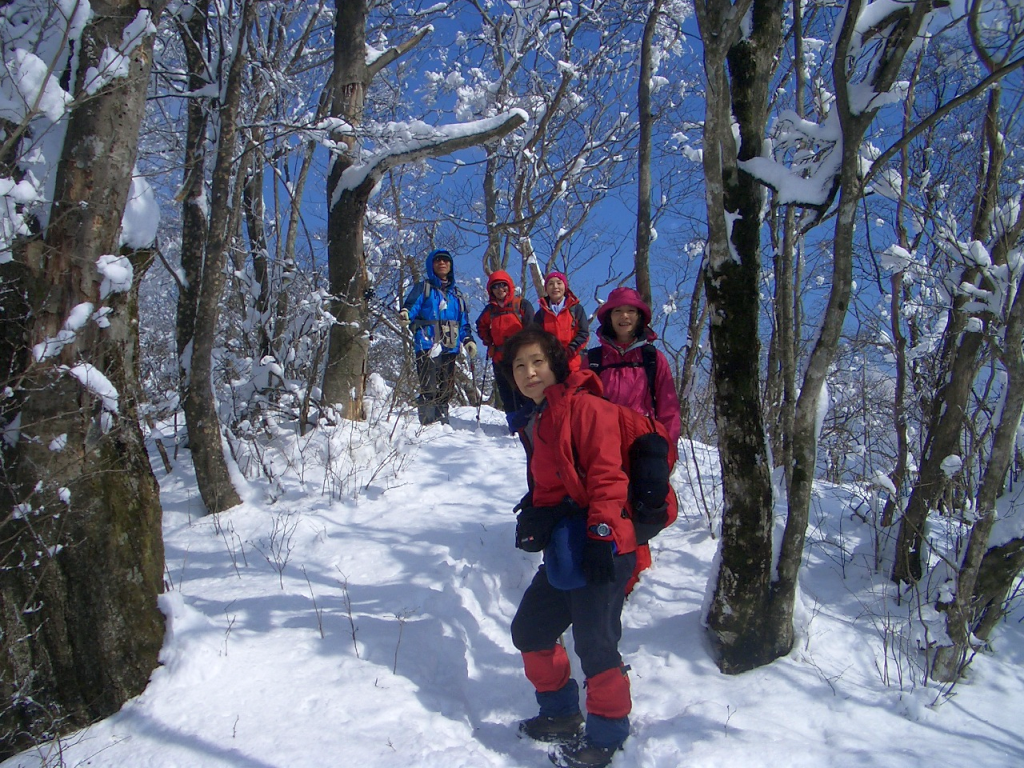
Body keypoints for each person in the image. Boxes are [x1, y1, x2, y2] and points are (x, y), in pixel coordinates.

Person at [502, 327, 637, 768]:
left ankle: (608, 736)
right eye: (520, 366)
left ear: (555, 364)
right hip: (568, 546)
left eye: (537, 361)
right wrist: (535, 513)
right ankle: (561, 714)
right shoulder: (539, 418)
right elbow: (555, 483)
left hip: (605, 544)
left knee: (596, 642)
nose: (528, 372)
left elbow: (607, 478)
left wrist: (600, 535)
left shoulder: (587, 408)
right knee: (532, 630)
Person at [588, 286, 681, 444]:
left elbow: (669, 407)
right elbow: (580, 407)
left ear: (639, 316)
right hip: (602, 444)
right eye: (617, 311)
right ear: (609, 317)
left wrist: (668, 449)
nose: (624, 316)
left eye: (631, 310)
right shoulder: (593, 359)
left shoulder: (653, 358)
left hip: (645, 443)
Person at [399, 249, 476, 425]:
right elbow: (411, 306)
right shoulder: (424, 288)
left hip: (450, 345)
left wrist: (468, 340)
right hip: (427, 343)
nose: (442, 263)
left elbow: (463, 321)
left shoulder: (456, 295)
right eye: (438, 260)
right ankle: (428, 425)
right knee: (429, 386)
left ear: (451, 266)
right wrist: (405, 314)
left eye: (446, 261)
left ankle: (443, 423)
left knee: (446, 389)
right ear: (431, 264)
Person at [475, 270, 534, 424]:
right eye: (495, 287)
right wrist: (489, 342)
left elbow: (532, 327)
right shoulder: (490, 310)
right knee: (506, 391)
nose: (500, 289)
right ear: (491, 290)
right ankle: (514, 423)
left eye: (503, 285)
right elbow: (481, 326)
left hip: (521, 356)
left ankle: (530, 421)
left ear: (509, 287)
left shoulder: (521, 304)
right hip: (500, 356)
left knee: (525, 388)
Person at [534, 271, 589, 373]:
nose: (555, 287)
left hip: (574, 363)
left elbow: (584, 333)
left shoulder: (576, 309)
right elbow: (537, 338)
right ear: (546, 289)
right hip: (550, 364)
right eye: (550, 284)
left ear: (565, 286)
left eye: (559, 283)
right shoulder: (541, 315)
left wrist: (571, 349)